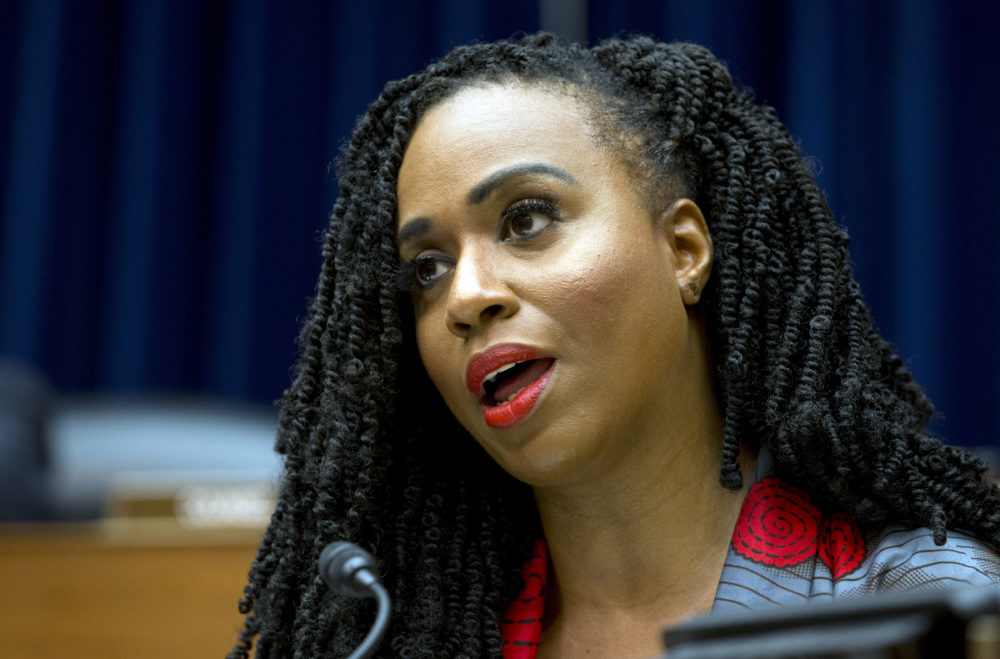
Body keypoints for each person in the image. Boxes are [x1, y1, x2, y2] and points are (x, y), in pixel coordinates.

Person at [230, 33, 1000, 658]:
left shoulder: (920, 609)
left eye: (526, 219)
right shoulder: (405, 632)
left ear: (685, 250)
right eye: (427, 268)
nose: (464, 296)